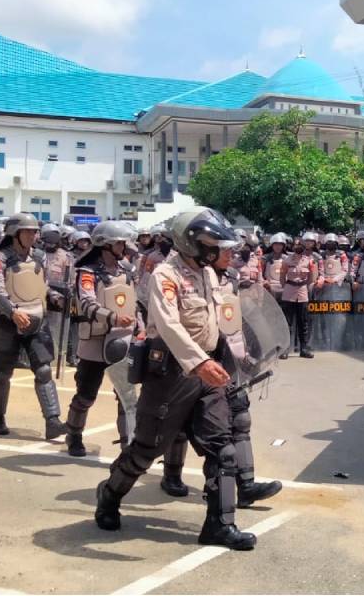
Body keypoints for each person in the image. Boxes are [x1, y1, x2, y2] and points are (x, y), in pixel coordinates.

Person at [94, 208, 258, 550]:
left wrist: (240, 353)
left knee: (222, 448)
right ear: (192, 243)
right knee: (147, 449)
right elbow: (169, 325)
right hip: (171, 373)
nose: (217, 251)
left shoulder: (210, 275)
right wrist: (198, 363)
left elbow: (221, 318)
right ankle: (109, 495)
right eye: (212, 244)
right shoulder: (165, 276)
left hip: (209, 372)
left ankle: (219, 525)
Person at [209, 239, 283, 508]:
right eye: (226, 250)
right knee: (181, 427)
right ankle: (169, 473)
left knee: (239, 420)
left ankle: (246, 486)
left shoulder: (230, 277)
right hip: (195, 362)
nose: (233, 255)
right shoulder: (186, 277)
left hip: (226, 361)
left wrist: (246, 355)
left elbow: (234, 320)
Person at [0, 213, 67, 440]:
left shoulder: (40, 257)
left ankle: (53, 421)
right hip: (7, 321)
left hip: (36, 319)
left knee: (43, 370)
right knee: (3, 373)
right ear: (15, 233)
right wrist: (12, 312)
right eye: (29, 231)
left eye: (35, 231)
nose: (34, 235)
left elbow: (44, 285)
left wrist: (54, 297)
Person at [65, 221, 140, 457]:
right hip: (96, 342)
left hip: (122, 340)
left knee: (126, 396)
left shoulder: (126, 270)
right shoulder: (87, 273)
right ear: (105, 244)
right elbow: (86, 303)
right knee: (86, 394)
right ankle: (74, 435)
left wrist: (141, 327)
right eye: (119, 242)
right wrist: (113, 318)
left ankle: (129, 442)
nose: (123, 246)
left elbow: (134, 303)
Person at [280, 232, 319, 359]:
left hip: (302, 292)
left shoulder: (309, 261)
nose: (298, 249)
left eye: (300, 246)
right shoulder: (286, 260)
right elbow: (282, 276)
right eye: (296, 247)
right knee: (287, 322)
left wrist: (304, 285)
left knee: (304, 322)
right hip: (289, 292)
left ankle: (304, 349)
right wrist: (287, 285)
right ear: (292, 248)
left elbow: (312, 277)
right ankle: (285, 349)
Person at [39, 223, 72, 371]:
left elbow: (70, 279)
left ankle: (53, 356)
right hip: (39, 293)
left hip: (58, 295)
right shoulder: (36, 254)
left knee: (55, 328)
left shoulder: (65, 256)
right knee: (38, 325)